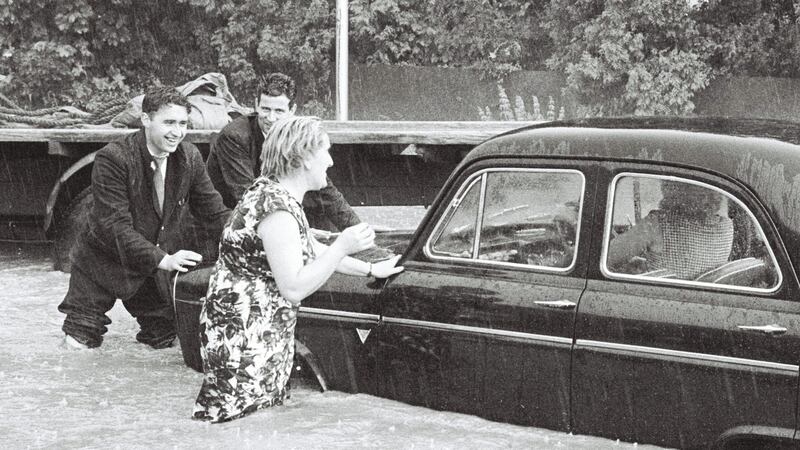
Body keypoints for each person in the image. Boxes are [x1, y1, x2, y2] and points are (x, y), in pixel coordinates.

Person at [192, 116, 403, 423]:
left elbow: (309, 249)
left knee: (252, 423)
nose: (330, 162)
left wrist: (370, 269)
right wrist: (342, 245)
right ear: (303, 158)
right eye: (326, 152)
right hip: (246, 337)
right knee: (240, 423)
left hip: (251, 330)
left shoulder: (272, 193)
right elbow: (293, 287)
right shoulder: (278, 210)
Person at [58, 87, 230, 350]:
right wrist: (165, 260)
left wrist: (255, 232)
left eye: (183, 123)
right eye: (169, 122)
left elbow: (214, 212)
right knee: (78, 343)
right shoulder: (113, 158)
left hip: (149, 268)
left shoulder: (190, 158)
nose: (177, 132)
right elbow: (112, 226)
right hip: (102, 262)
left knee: (165, 341)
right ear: (146, 119)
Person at [206, 72, 360, 231]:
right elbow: (249, 197)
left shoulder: (295, 137)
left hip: (271, 212)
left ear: (292, 110)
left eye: (279, 111)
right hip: (227, 222)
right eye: (265, 109)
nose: (271, 118)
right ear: (256, 104)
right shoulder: (235, 137)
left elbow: (326, 192)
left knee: (328, 228)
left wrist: (360, 232)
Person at [607, 180, 734, 280]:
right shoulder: (727, 226)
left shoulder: (657, 223)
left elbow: (606, 257)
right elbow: (691, 264)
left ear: (674, 189)